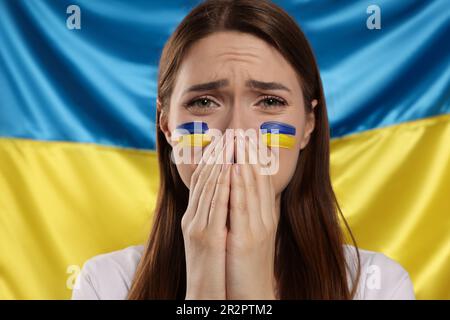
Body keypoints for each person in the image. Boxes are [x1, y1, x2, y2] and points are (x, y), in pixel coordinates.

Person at [72, 0, 415, 300]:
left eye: (269, 101)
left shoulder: (378, 286)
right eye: (204, 102)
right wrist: (204, 288)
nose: (236, 133)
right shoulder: (107, 284)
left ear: (308, 124)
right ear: (167, 126)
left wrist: (252, 289)